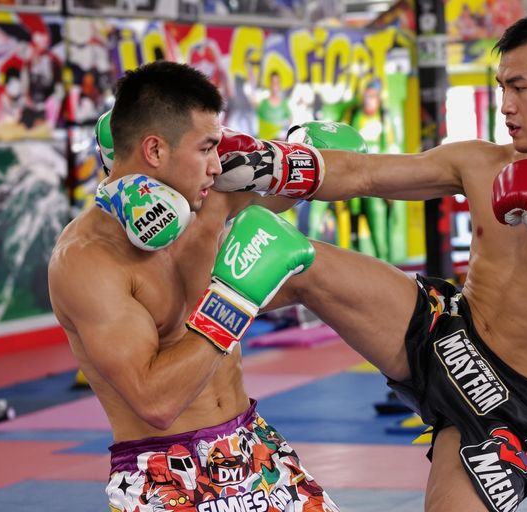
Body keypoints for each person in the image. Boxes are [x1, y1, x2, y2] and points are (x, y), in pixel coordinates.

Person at [212, 6, 527, 511]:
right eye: (501, 87)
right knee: (296, 259)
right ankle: (170, 314)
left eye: (520, 88)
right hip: (443, 330)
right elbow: (367, 174)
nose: (505, 105)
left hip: (507, 404)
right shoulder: (481, 161)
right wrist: (271, 162)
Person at [47, 61, 341, 512]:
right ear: (153, 149)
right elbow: (156, 402)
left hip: (253, 444)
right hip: (165, 472)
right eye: (205, 148)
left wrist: (303, 152)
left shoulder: (205, 198)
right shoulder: (86, 258)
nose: (215, 164)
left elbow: (320, 183)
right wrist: (234, 299)